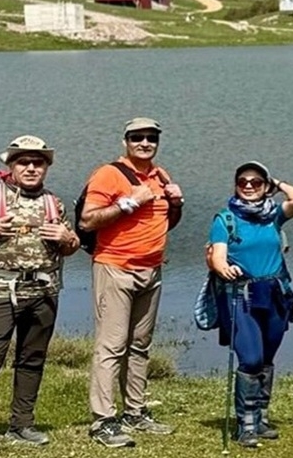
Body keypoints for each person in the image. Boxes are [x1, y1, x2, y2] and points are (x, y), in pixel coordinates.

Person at [0, 135, 80, 458]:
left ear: (46, 166)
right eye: (24, 161)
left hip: (44, 290)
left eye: (38, 162)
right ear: (11, 165)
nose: (31, 168)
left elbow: (71, 245)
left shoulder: (54, 202)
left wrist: (67, 238)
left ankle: (21, 424)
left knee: (32, 360)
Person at [79, 117, 184, 448]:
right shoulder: (109, 174)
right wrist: (128, 202)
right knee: (111, 346)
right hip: (115, 268)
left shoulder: (160, 174)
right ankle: (103, 420)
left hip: (151, 270)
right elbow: (88, 219)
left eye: (151, 138)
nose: (144, 143)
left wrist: (177, 204)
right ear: (126, 140)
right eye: (137, 137)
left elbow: (165, 221)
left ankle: (135, 411)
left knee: (140, 345)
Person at [207, 161, 293, 447]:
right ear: (235, 185)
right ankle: (246, 425)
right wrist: (223, 268)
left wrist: (275, 183)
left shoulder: (273, 215)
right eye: (242, 181)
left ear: (266, 187)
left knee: (266, 358)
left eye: (256, 181)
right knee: (250, 358)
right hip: (241, 295)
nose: (249, 186)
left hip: (275, 292)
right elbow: (218, 255)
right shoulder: (225, 219)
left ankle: (261, 418)